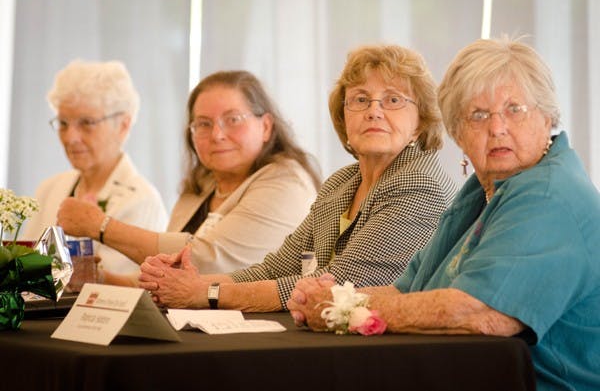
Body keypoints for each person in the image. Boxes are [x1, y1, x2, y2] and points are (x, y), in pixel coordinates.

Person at [287, 37, 600, 391]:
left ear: (548, 118)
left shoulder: (549, 195)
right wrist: (339, 301)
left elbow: (480, 312)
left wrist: (338, 313)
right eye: (478, 115)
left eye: (515, 109)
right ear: (457, 133)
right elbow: (409, 290)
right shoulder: (482, 192)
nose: (497, 127)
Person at [138, 44, 458, 311]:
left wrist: (203, 294)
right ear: (343, 117)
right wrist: (194, 284)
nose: (374, 111)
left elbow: (342, 282)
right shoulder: (341, 183)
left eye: (393, 100)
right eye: (360, 99)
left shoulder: (420, 183)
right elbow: (278, 267)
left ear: (419, 122)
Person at [56, 70, 320, 285]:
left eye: (233, 119)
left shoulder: (287, 182)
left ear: (265, 126)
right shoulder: (202, 185)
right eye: (203, 124)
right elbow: (164, 279)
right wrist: (99, 279)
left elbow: (208, 261)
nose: (217, 134)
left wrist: (100, 226)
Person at [23, 60, 168, 281]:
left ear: (123, 125)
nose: (70, 137)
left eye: (87, 123)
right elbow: (23, 267)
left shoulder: (141, 201)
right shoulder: (50, 188)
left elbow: (112, 294)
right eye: (63, 123)